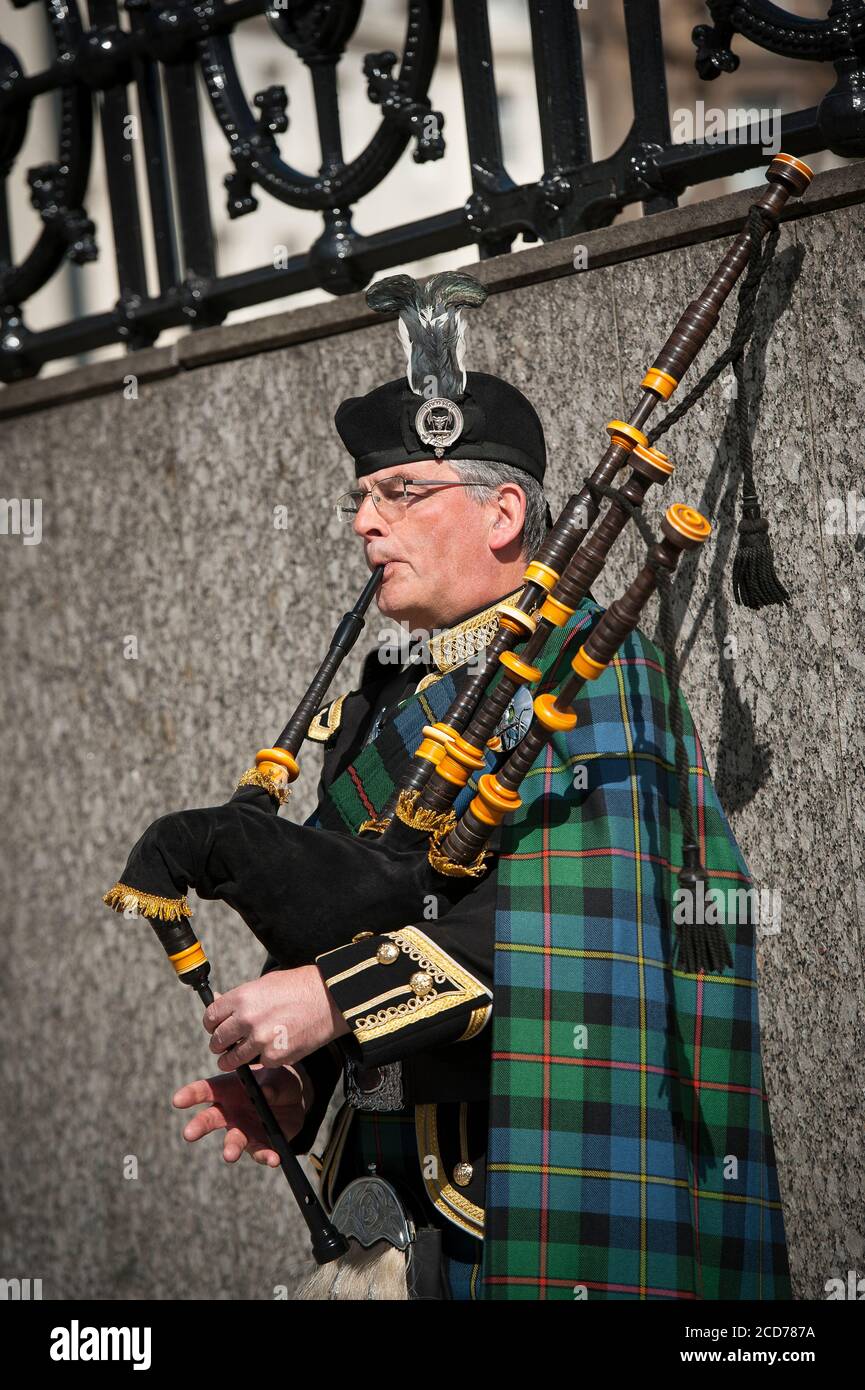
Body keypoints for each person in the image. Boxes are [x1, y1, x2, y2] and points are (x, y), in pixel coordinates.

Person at [170, 271, 792, 1301]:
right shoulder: (380, 703)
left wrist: (334, 998)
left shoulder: (592, 669)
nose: (363, 523)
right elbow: (363, 911)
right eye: (360, 498)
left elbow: (573, 918)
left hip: (523, 1188)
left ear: (504, 512)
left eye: (399, 492)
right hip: (384, 1197)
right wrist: (300, 1081)